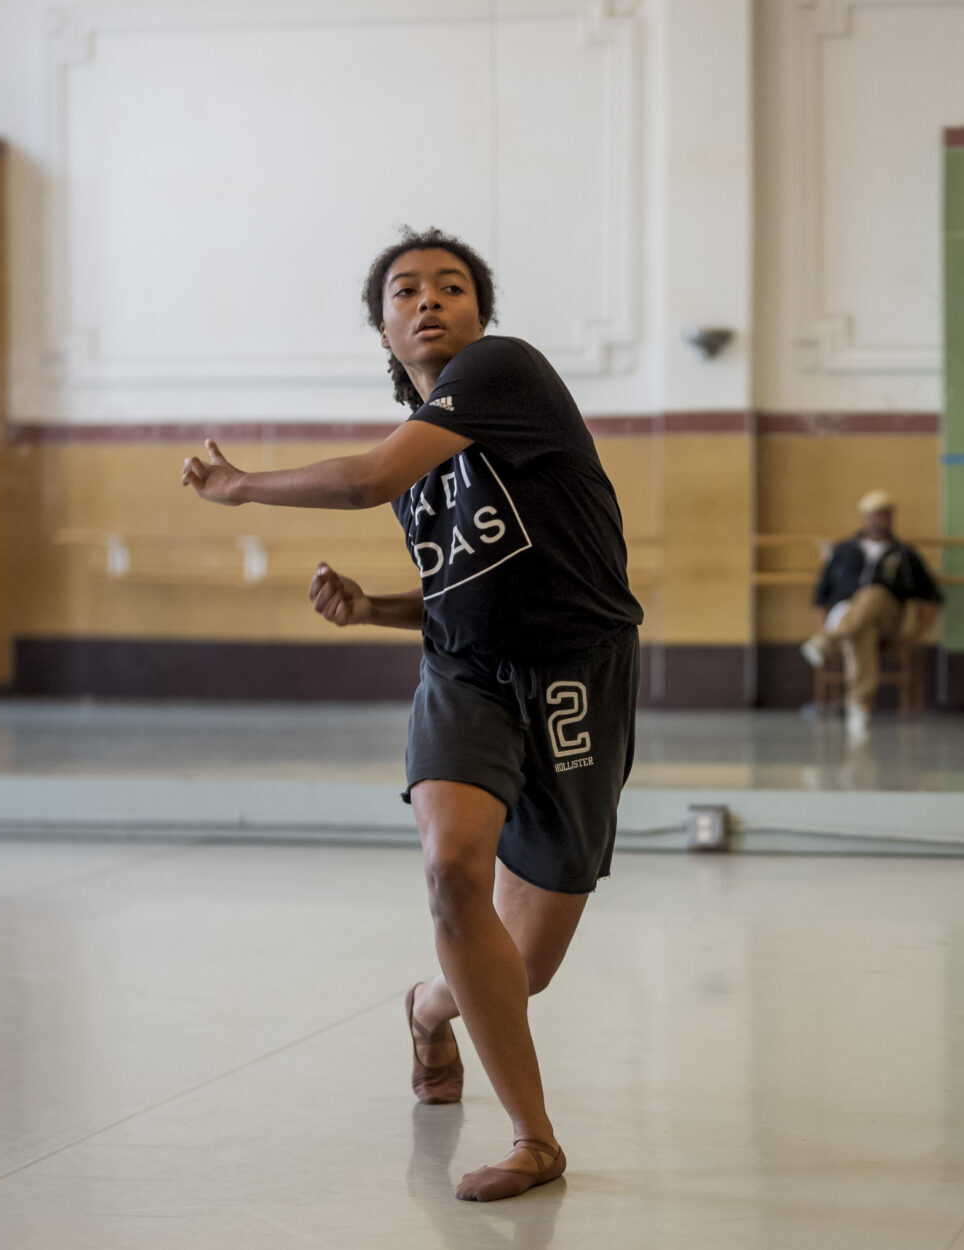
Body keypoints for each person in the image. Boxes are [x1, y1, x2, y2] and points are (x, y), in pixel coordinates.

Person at [179, 227, 640, 1203]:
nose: (428, 300)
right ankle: (534, 1138)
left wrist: (241, 485)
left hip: (574, 675)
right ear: (383, 329)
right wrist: (376, 606)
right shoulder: (422, 456)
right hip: (465, 674)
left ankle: (430, 1010)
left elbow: (366, 477)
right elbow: (460, 591)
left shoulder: (503, 372)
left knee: (525, 966)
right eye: (403, 291)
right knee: (449, 866)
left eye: (451, 286)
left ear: (480, 314)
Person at [800, 489, 941, 734]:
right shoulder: (843, 550)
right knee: (861, 631)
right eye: (877, 515)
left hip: (889, 614)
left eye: (886, 515)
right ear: (866, 517)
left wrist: (918, 633)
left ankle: (826, 642)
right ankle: (859, 706)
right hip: (847, 616)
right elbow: (821, 595)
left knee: (873, 594)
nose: (881, 520)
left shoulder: (904, 554)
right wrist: (825, 622)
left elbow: (932, 596)